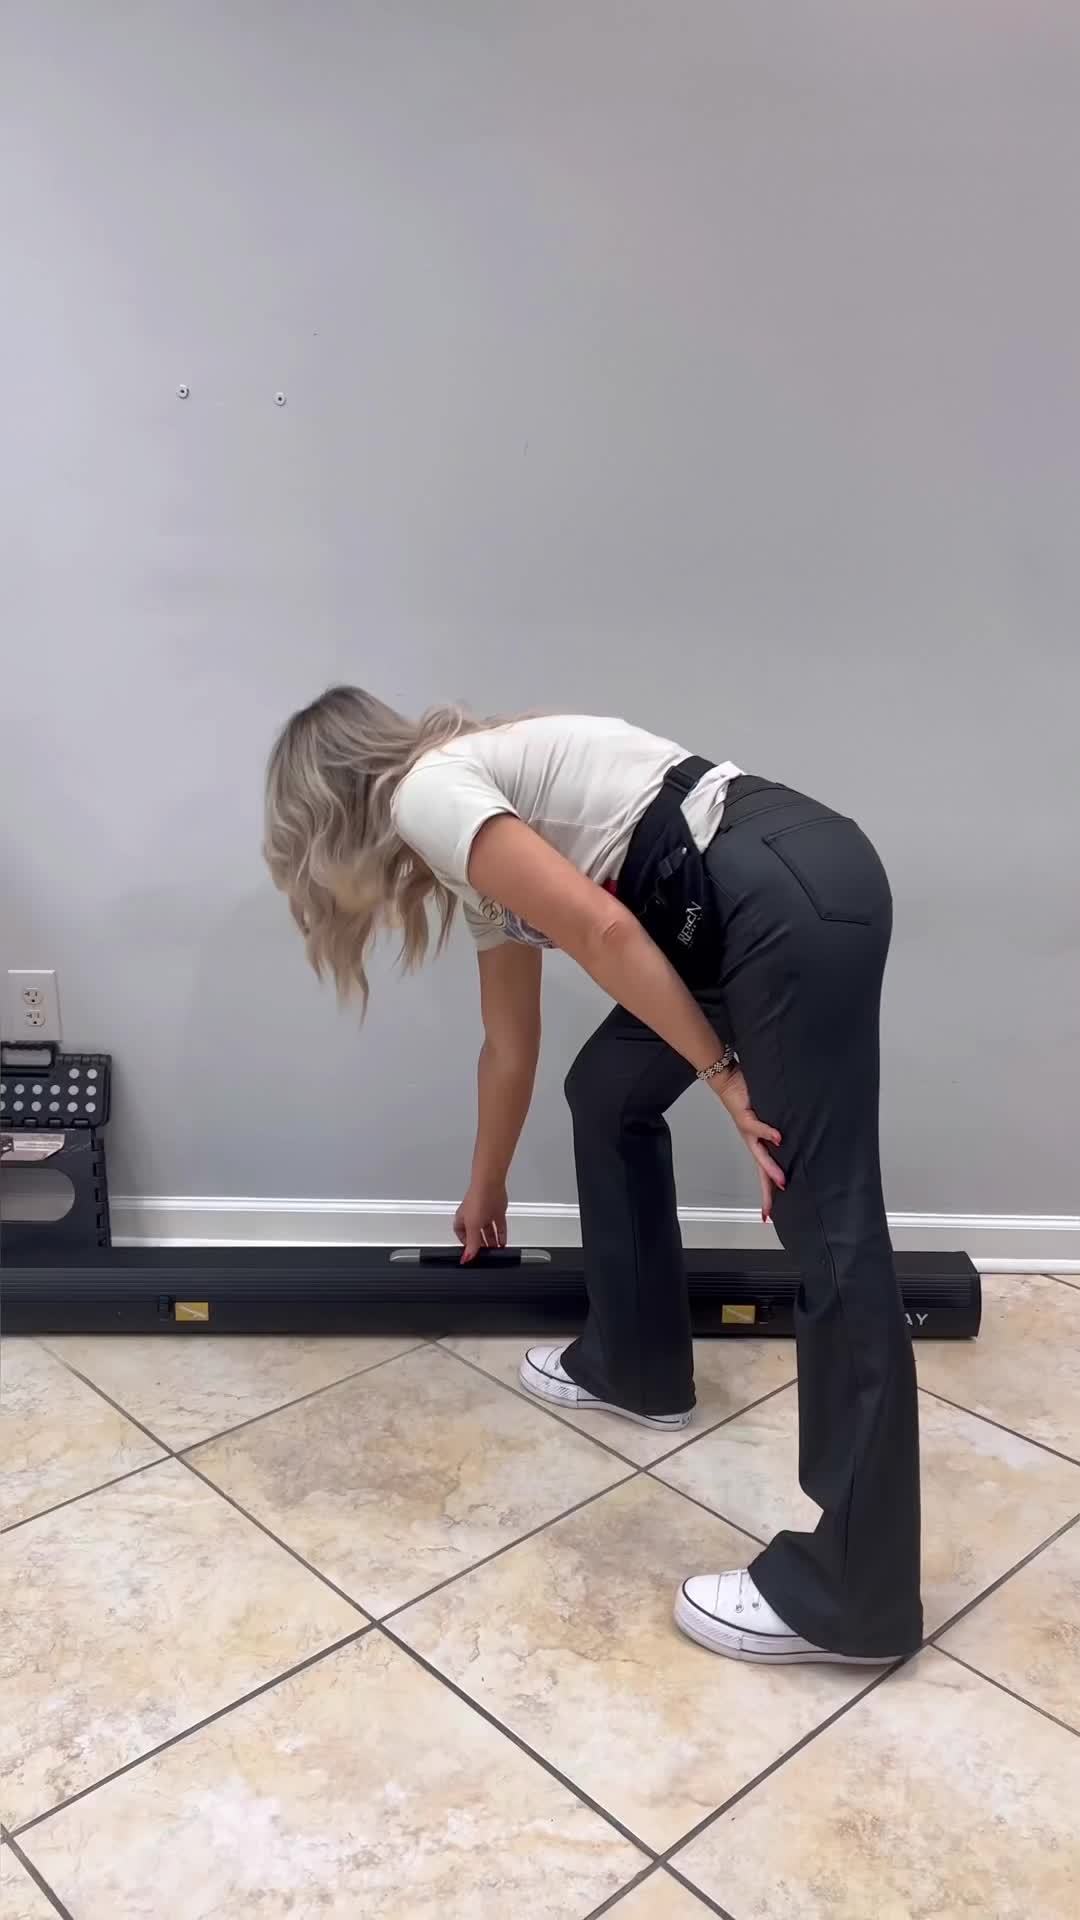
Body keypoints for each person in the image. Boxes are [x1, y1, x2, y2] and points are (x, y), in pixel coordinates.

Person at [264, 689, 922, 1666]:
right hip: (745, 898)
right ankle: (636, 1365)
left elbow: (604, 931)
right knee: (607, 1092)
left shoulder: (428, 795)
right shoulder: (468, 821)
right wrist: (486, 1187)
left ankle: (855, 1597)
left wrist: (723, 1075)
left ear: (326, 811)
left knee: (826, 1216)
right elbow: (509, 1044)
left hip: (772, 893)